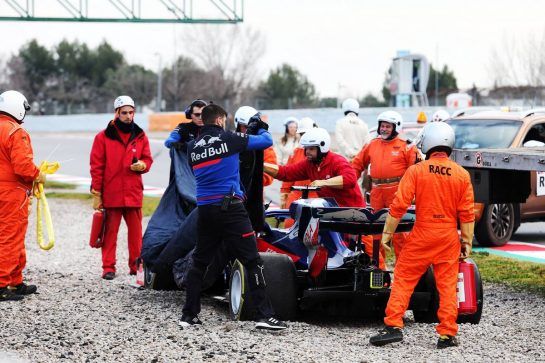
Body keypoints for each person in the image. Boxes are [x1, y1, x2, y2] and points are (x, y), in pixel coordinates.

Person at [180, 103, 287, 330]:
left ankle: (188, 316)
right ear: (220, 120)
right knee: (252, 261)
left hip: (205, 209)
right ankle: (264, 316)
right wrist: (261, 128)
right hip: (231, 209)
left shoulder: (192, 147)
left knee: (199, 262)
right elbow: (266, 142)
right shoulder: (230, 138)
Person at [369, 122, 475, 348]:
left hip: (422, 234)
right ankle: (447, 334)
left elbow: (398, 206)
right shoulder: (462, 174)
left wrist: (387, 234)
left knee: (404, 279)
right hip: (448, 236)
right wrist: (466, 242)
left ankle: (394, 326)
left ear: (427, 143)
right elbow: (467, 214)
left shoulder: (416, 170)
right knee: (447, 285)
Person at [90, 95, 153, 280]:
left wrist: (143, 164)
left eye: (131, 112)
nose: (128, 116)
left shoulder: (140, 135)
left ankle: (136, 266)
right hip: (112, 193)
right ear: (116, 113)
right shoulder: (102, 137)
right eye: (124, 112)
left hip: (133, 193)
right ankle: (108, 267)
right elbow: (96, 166)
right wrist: (97, 192)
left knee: (136, 235)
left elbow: (148, 159)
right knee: (110, 233)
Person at [351, 111, 419, 257]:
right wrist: (348, 183)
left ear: (396, 127)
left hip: (397, 192)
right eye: (382, 126)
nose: (384, 129)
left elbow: (416, 172)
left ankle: (403, 267)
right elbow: (356, 165)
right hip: (376, 192)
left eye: (388, 126)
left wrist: (412, 194)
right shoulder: (372, 144)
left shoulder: (406, 147)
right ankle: (378, 267)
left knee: (400, 233)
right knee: (375, 231)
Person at [0, 90, 44, 301]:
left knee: (8, 235)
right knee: (11, 236)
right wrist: (39, 175)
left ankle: (15, 281)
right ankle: (2, 284)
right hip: (12, 193)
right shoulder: (15, 131)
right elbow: (23, 167)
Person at [264, 128, 364, 208]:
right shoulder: (309, 164)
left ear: (322, 148)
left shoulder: (337, 160)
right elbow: (285, 173)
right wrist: (262, 166)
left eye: (311, 148)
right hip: (332, 211)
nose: (307, 152)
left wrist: (324, 182)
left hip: (352, 211)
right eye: (306, 148)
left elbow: (351, 179)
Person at [279, 117, 318, 209]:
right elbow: (289, 174)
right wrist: (284, 193)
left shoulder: (323, 153)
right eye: (302, 134)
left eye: (306, 133)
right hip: (297, 194)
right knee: (290, 222)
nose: (304, 136)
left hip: (317, 195)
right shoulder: (296, 152)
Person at [234, 106, 277, 187]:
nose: (249, 129)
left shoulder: (265, 145)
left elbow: (270, 175)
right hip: (233, 194)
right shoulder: (230, 141)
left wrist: (251, 178)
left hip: (254, 193)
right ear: (238, 125)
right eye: (246, 127)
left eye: (252, 126)